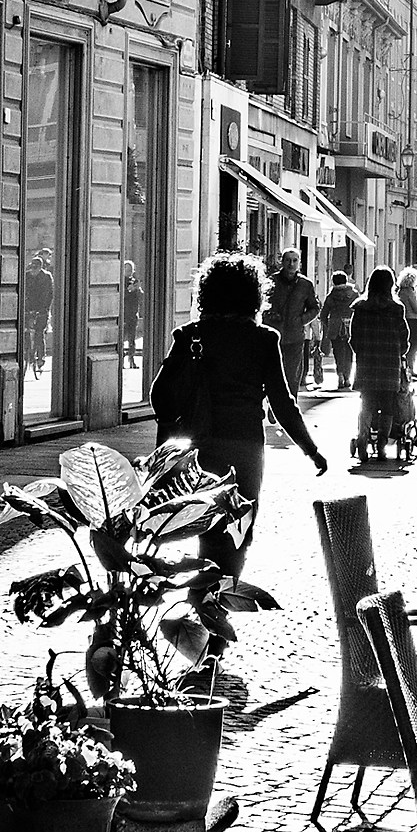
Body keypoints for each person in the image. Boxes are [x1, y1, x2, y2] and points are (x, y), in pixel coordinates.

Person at [150, 250, 328, 588]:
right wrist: (311, 450)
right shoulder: (263, 340)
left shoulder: (189, 336)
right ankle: (221, 596)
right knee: (238, 529)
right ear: (253, 295)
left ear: (206, 293)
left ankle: (202, 594)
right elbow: (283, 404)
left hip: (197, 449)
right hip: (244, 449)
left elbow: (159, 396)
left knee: (202, 525)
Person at [349, 266, 411, 464]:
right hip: (389, 363)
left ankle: (363, 437)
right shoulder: (396, 308)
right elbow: (404, 336)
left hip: (367, 363)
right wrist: (400, 352)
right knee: (387, 405)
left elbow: (353, 336)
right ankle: (382, 445)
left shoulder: (360, 307)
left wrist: (361, 352)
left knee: (367, 402)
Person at [265, 251, 320, 390]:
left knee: (291, 377)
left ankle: (291, 402)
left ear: (299, 263)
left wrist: (300, 321)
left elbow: (314, 308)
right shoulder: (271, 281)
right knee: (272, 377)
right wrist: (268, 316)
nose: (291, 264)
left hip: (294, 338)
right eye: (288, 260)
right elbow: (261, 305)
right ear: (282, 262)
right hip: (273, 336)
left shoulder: (305, 284)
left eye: (295, 260)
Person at [320, 267, 359, 390]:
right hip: (350, 327)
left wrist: (328, 325)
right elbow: (359, 311)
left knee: (338, 352)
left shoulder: (331, 296)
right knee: (349, 353)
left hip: (335, 327)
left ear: (333, 282)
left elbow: (323, 315)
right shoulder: (354, 294)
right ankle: (347, 377)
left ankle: (340, 375)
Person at [24, 249, 54, 380]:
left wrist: (44, 309)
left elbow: (49, 295)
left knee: (39, 333)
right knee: (25, 330)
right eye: (32, 267)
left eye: (36, 268)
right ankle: (26, 352)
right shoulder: (26, 276)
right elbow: (23, 292)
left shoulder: (46, 277)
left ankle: (40, 358)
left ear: (40, 267)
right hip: (29, 308)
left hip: (42, 309)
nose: (33, 270)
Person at [397, 265, 417, 375]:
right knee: (413, 344)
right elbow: (416, 308)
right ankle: (410, 368)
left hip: (403, 318)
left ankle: (404, 367)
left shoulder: (400, 291)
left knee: (404, 343)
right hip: (412, 319)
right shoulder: (410, 292)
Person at [122, 259, 144, 372]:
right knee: (121, 338)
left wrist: (138, 289)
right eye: (127, 270)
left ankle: (131, 359)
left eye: (131, 270)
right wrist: (129, 290)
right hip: (124, 314)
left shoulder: (134, 281)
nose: (129, 272)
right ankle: (121, 360)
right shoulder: (121, 281)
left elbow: (141, 297)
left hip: (133, 313)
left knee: (132, 339)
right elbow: (121, 295)